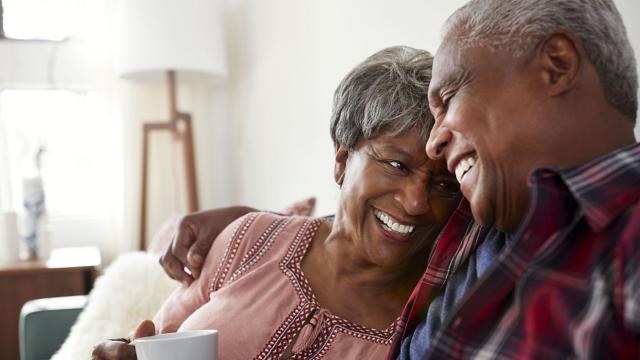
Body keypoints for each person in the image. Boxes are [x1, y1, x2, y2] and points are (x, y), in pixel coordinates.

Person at [163, 0, 640, 359]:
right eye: (396, 164)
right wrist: (240, 223)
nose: (436, 146)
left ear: (556, 65)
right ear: (341, 157)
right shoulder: (490, 233)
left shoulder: (615, 244)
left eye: (449, 96)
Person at [92, 46, 463, 360]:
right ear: (342, 158)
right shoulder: (250, 238)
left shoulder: (430, 327)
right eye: (396, 165)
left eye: (444, 184)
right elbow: (156, 336)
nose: (417, 202)